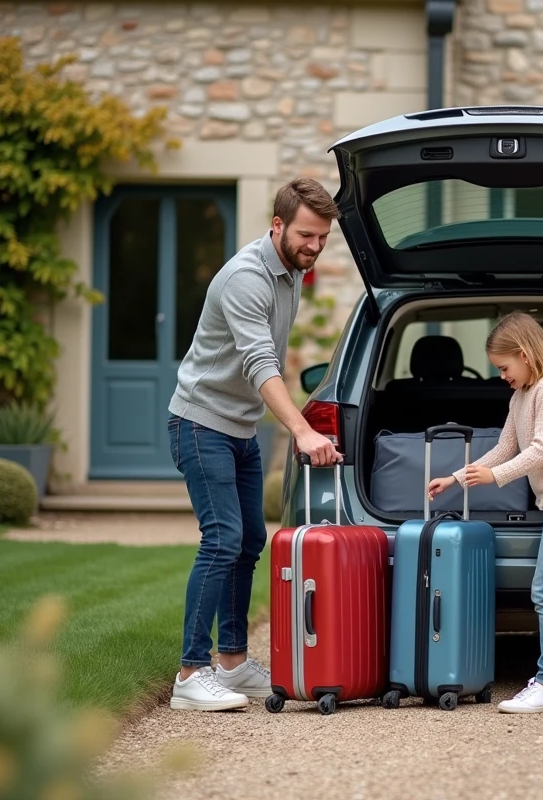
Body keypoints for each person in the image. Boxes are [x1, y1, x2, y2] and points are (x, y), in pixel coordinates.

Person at [166, 178, 343, 711]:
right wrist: (301, 430)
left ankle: (234, 663)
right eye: (306, 235)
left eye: (323, 237)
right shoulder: (247, 277)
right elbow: (260, 362)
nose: (315, 246)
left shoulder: (291, 272)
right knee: (222, 540)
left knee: (248, 543)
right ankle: (190, 674)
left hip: (239, 428)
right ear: (277, 225)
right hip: (201, 424)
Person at [427, 311, 543, 713]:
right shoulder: (521, 395)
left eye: (505, 367)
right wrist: (455, 478)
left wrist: (496, 476)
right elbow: (505, 447)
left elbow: (541, 449)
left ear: (524, 354)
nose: (502, 375)